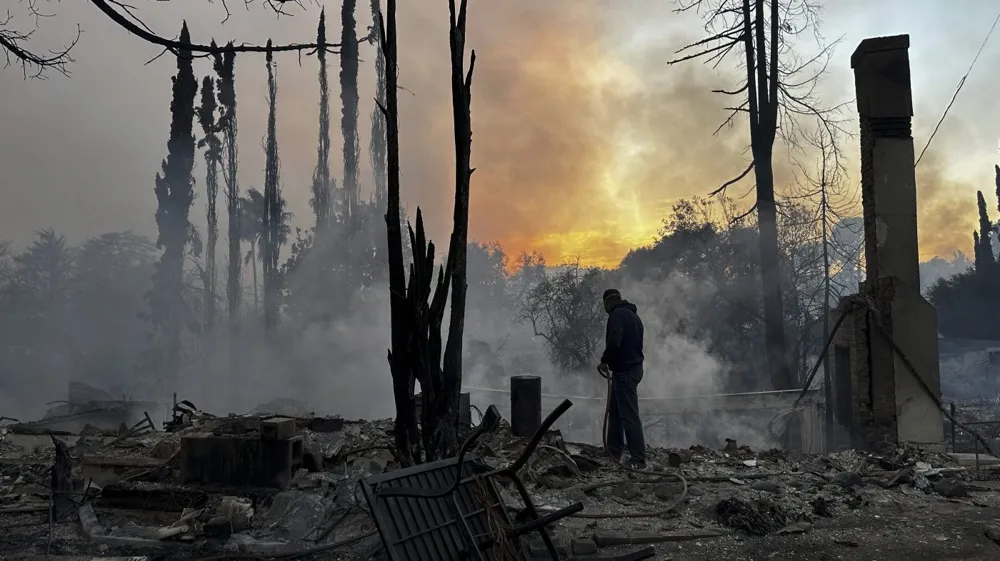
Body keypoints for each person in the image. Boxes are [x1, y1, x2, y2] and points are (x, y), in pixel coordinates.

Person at [598, 288, 646, 469]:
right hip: (633, 369)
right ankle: (614, 449)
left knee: (629, 416)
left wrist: (605, 361)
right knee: (616, 412)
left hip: (625, 372)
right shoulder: (634, 317)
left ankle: (638, 459)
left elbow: (614, 340)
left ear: (608, 302)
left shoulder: (616, 316)